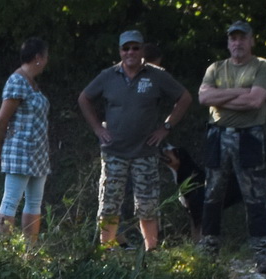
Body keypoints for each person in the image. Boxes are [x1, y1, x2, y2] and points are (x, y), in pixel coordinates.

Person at [77, 29, 193, 252]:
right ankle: (106, 253)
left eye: (135, 48)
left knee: (148, 206)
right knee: (109, 205)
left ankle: (151, 253)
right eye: (126, 48)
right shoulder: (108, 76)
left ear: (142, 50)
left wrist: (166, 128)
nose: (130, 52)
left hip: (145, 152)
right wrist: (97, 128)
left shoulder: (156, 75)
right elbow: (84, 98)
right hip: (114, 152)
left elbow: (185, 98)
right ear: (120, 51)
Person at [197, 20, 266, 274]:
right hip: (217, 136)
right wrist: (240, 91)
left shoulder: (262, 66)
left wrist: (221, 97)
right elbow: (204, 97)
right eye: (233, 38)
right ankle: (208, 251)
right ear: (228, 42)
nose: (237, 43)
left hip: (249, 137)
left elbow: (254, 101)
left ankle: (263, 254)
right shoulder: (215, 68)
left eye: (242, 38)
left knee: (255, 197)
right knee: (212, 195)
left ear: (251, 40)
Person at [0, 38, 51, 248]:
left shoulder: (32, 83)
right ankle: (5, 251)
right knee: (11, 201)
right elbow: (1, 121)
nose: (47, 61)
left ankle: (30, 251)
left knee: (34, 202)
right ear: (38, 57)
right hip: (19, 152)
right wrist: (0, 149)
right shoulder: (17, 81)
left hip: (39, 153)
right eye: (46, 56)